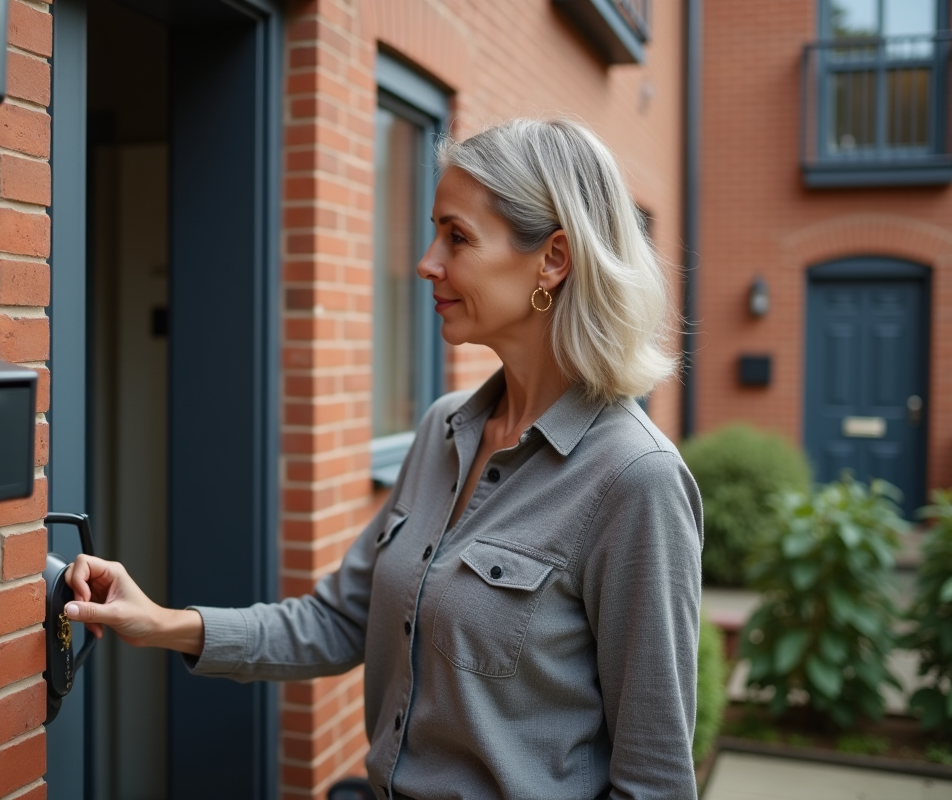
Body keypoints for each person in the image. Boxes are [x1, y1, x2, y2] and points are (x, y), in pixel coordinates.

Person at [64, 118, 703, 800]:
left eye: (456, 237)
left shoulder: (636, 481)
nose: (427, 262)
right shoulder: (444, 430)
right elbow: (341, 620)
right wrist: (159, 622)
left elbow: (654, 785)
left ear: (553, 258)